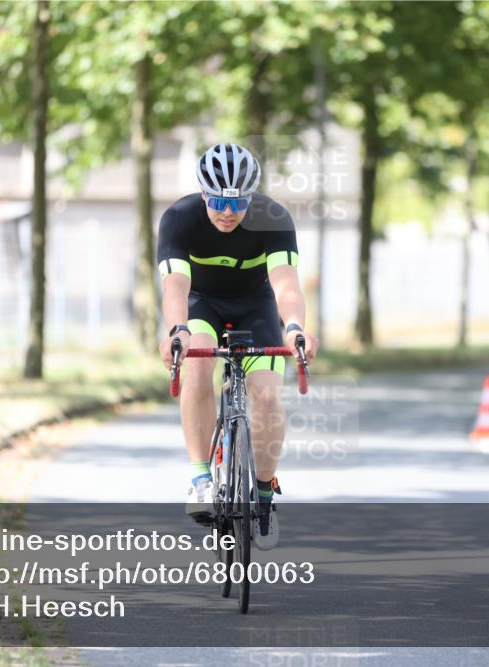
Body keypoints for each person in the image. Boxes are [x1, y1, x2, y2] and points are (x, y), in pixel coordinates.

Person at [156, 143, 318, 551]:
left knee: (266, 394)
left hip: (257, 306)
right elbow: (175, 286)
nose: (227, 212)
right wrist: (177, 331)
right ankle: (200, 479)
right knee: (197, 366)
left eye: (238, 202)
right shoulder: (179, 218)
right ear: (202, 192)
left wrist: (295, 327)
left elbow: (285, 284)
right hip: (201, 304)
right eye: (217, 201)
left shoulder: (273, 217)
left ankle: (264, 495)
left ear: (251, 198)